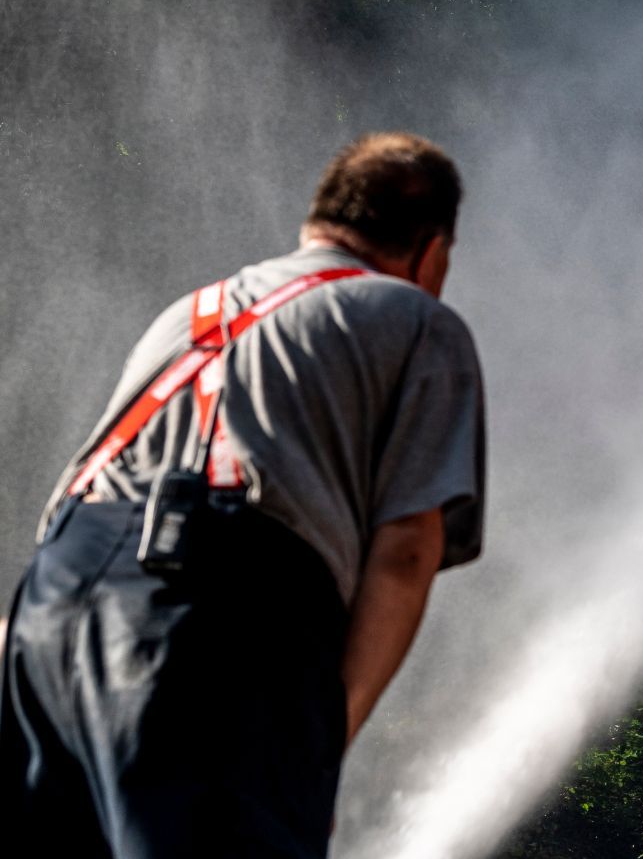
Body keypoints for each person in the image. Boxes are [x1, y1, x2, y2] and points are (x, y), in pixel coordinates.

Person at [0, 131, 487, 857]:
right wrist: (315, 751)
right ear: (433, 252)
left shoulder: (190, 311)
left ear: (318, 224)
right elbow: (407, 551)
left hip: (46, 616)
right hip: (213, 620)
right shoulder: (418, 320)